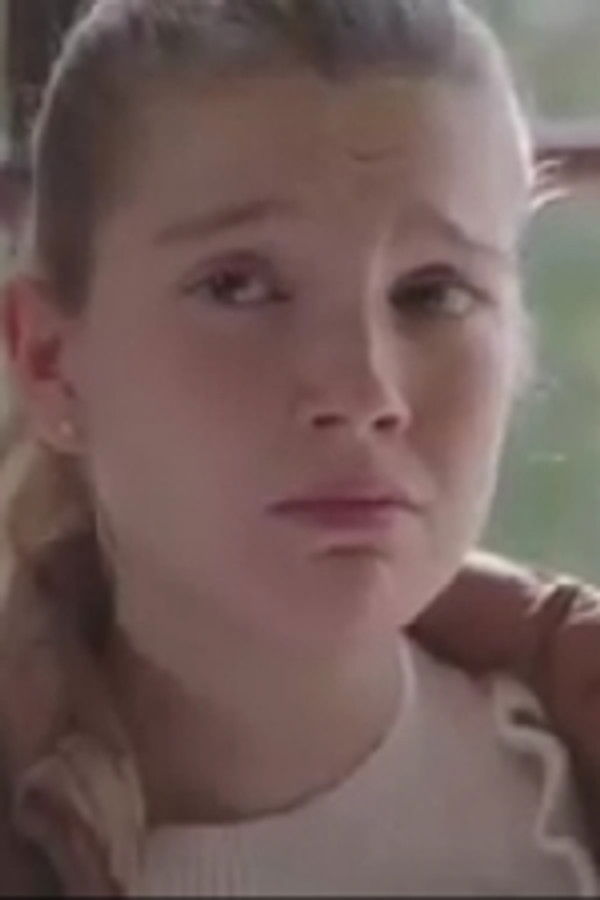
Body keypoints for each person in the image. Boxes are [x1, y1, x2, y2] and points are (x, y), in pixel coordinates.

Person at [2, 0, 600, 894]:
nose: (362, 392)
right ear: (51, 361)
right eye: (238, 285)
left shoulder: (568, 801)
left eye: (433, 293)